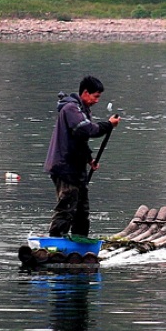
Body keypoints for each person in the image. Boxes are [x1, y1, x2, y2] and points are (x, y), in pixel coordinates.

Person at [44, 75, 121, 237]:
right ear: (85, 93)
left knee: (81, 210)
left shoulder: (82, 110)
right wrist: (108, 125)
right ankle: (55, 242)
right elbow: (86, 130)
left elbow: (79, 140)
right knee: (67, 206)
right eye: (96, 96)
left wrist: (89, 159)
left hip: (77, 168)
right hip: (64, 167)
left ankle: (79, 242)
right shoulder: (70, 109)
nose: (97, 100)